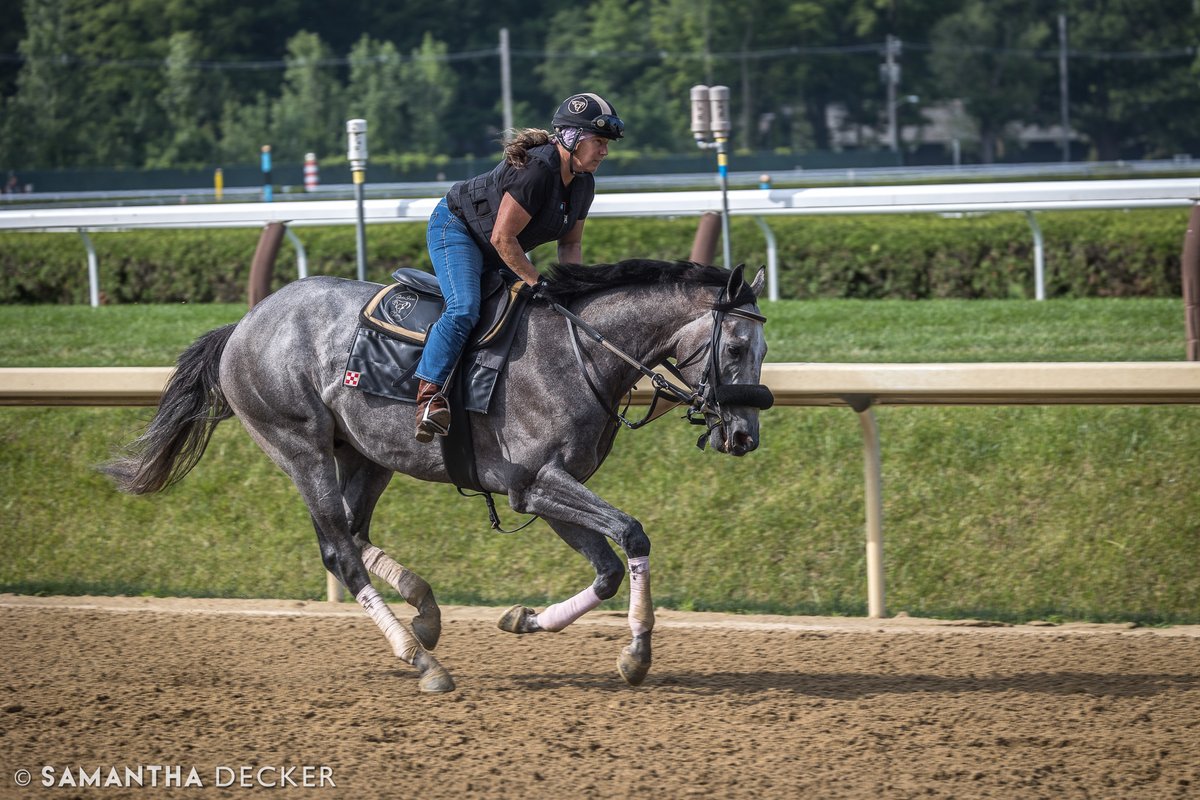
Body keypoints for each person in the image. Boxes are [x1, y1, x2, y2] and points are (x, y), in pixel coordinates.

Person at [413, 92, 625, 442]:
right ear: (571, 139)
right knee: (465, 308)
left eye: (606, 144)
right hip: (457, 228)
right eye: (599, 141)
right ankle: (427, 398)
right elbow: (502, 239)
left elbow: (570, 245)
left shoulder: (584, 183)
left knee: (531, 315)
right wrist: (539, 282)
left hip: (499, 246)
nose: (604, 151)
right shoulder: (537, 169)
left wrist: (574, 291)